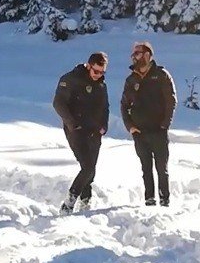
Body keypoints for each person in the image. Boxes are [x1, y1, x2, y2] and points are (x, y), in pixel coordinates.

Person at [121, 41, 177, 207]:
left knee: (162, 168)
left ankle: (164, 200)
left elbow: (171, 101)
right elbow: (124, 104)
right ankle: (149, 200)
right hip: (139, 132)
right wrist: (130, 126)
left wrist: (165, 124)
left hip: (158, 130)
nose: (134, 57)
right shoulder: (131, 79)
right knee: (146, 168)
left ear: (147, 55)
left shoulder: (161, 75)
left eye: (137, 53)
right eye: (133, 54)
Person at [53, 51, 109, 214]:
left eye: (102, 72)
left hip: (94, 131)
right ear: (88, 65)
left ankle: (86, 203)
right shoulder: (71, 79)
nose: (98, 75)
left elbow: (105, 107)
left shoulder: (101, 85)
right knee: (87, 167)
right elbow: (58, 103)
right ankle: (69, 203)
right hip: (76, 130)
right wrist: (72, 124)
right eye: (96, 71)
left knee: (91, 170)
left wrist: (103, 126)